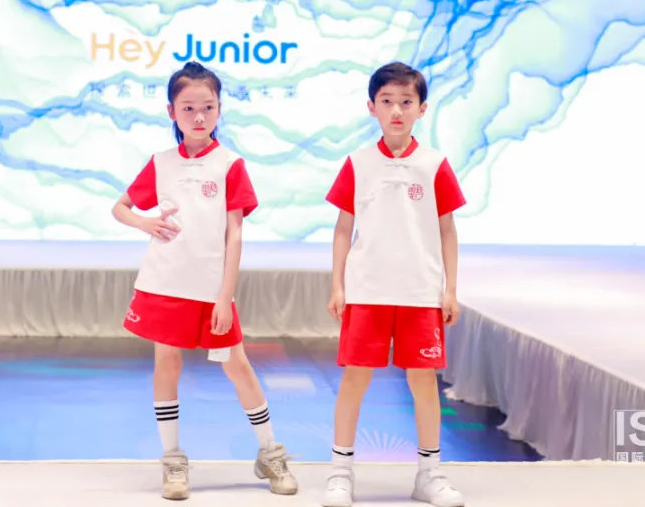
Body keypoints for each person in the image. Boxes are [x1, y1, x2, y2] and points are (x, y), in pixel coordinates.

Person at [112, 61, 297, 501]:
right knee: (166, 365)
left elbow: (235, 234)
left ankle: (271, 454)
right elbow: (120, 207)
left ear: (219, 109)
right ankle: (173, 461)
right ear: (171, 111)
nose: (199, 116)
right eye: (188, 107)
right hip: (163, 284)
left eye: (208, 107)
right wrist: (146, 223)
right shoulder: (160, 163)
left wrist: (224, 296)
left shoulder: (230, 164)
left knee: (237, 365)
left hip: (211, 289)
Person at [322, 62, 467, 507]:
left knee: (423, 381)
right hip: (367, 291)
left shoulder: (434, 164)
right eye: (387, 102)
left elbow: (447, 230)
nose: (397, 111)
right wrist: (338, 286)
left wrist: (449, 289)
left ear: (422, 108)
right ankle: (340, 473)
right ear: (372, 108)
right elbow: (343, 228)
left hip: (419, 292)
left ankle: (429, 474)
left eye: (406, 102)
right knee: (354, 379)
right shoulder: (358, 163)